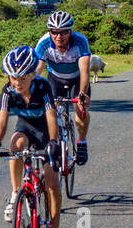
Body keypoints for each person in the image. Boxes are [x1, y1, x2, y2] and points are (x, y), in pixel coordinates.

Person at [0, 46, 66, 228]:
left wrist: (52, 143)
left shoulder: (43, 86)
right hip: (26, 127)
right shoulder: (7, 91)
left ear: (32, 74)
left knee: (51, 181)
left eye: (22, 77)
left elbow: (50, 115)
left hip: (46, 129)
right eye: (13, 77)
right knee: (15, 144)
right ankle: (15, 193)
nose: (16, 82)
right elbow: (2, 120)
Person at [32, 10, 92, 165]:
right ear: (49, 32)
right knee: (52, 112)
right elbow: (37, 70)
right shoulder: (44, 43)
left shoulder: (80, 42)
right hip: (55, 78)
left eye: (64, 32)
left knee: (81, 108)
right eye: (54, 32)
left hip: (77, 78)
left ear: (70, 31)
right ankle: (56, 143)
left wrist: (82, 94)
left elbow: (85, 71)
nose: (59, 36)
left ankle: (82, 142)